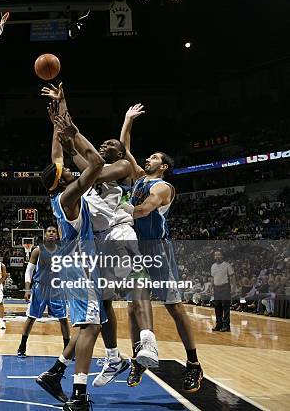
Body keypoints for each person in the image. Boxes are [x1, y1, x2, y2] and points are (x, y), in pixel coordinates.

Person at [45, 85, 159, 387]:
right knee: (104, 302)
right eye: (103, 143)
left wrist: (71, 128)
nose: (106, 145)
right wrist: (61, 112)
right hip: (96, 243)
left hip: (119, 232)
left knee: (137, 281)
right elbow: (70, 149)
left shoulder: (122, 168)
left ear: (122, 153)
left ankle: (147, 341)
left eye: (112, 143)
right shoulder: (88, 176)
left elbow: (88, 157)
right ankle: (111, 356)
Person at [121, 118, 204, 392]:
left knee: (174, 307)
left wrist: (113, 214)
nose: (148, 159)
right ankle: (138, 358)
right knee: (134, 308)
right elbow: (125, 150)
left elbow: (144, 209)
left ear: (164, 166)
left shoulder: (162, 187)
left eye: (154, 157)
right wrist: (127, 121)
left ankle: (193, 363)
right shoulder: (139, 179)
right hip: (136, 250)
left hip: (157, 249)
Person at [35, 95, 105, 410]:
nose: (66, 167)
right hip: (80, 267)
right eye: (64, 168)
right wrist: (72, 131)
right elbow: (97, 164)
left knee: (87, 325)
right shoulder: (70, 196)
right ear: (62, 177)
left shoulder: (59, 194)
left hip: (73, 266)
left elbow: (56, 153)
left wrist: (57, 118)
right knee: (91, 327)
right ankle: (78, 396)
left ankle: (55, 372)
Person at [17, 226, 71, 358]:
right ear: (45, 235)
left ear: (57, 235)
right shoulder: (37, 250)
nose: (51, 233)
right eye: (49, 231)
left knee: (63, 319)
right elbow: (28, 271)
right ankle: (22, 346)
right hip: (40, 287)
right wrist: (27, 289)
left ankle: (67, 349)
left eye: (54, 231)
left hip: (57, 288)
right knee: (31, 317)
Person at [211, 250, 234, 331]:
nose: (217, 256)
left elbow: (232, 276)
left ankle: (226, 326)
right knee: (217, 307)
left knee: (226, 307)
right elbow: (212, 278)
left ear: (222, 256)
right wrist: (211, 288)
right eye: (215, 255)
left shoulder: (227, 265)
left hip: (225, 287)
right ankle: (219, 324)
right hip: (216, 288)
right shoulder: (213, 266)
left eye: (219, 255)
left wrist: (233, 287)